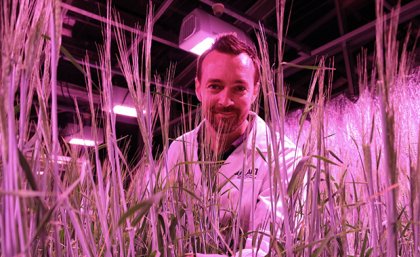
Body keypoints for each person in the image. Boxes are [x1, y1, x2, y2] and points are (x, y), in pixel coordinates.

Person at [165, 34, 303, 257]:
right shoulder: (179, 150)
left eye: (239, 88)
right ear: (199, 89)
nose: (225, 101)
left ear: (255, 90)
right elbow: (163, 225)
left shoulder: (284, 157)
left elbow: (269, 248)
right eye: (215, 86)